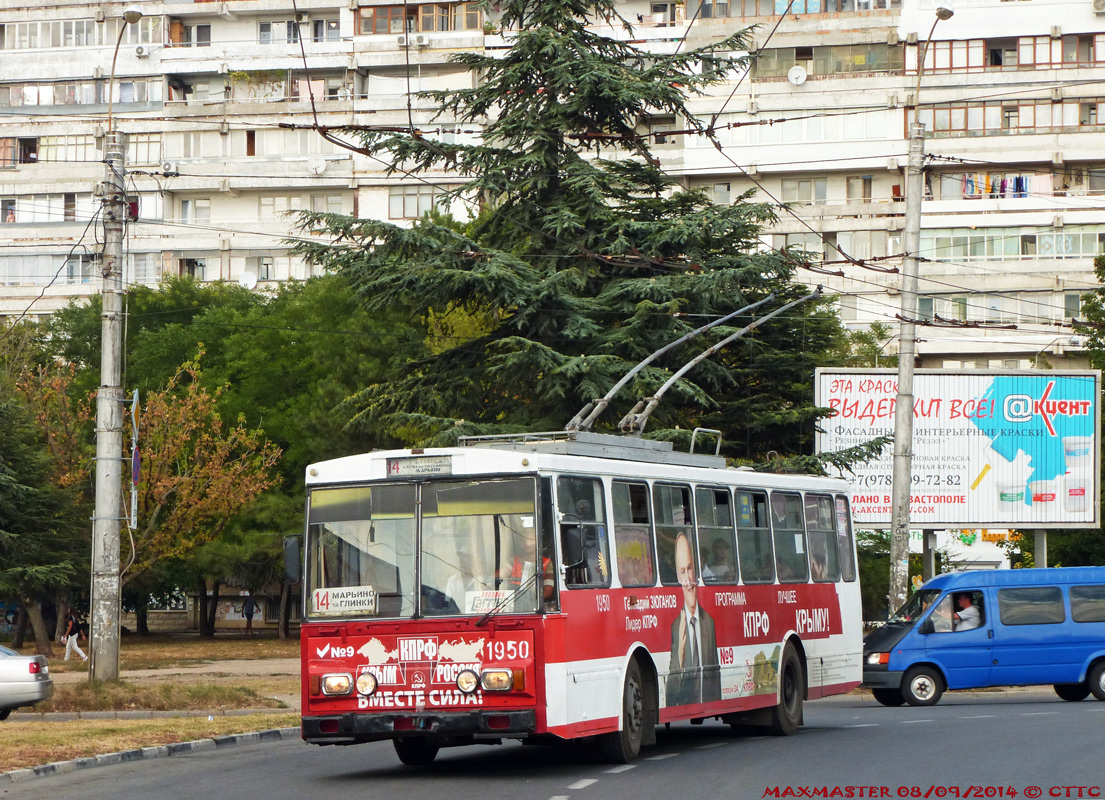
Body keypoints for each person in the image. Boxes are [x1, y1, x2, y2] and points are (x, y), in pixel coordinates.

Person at [666, 532, 720, 706]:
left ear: (696, 570)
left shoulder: (709, 622)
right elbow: (671, 696)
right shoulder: (675, 627)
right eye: (683, 572)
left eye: (690, 569)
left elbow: (715, 679)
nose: (688, 580)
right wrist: (680, 654)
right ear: (677, 576)